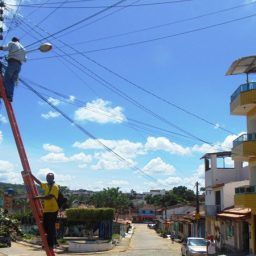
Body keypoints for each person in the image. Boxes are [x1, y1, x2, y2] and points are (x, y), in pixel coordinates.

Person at [32, 172, 59, 249]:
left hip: (53, 210)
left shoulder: (55, 187)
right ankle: (53, 241)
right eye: (47, 177)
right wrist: (31, 176)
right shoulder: (47, 185)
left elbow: (49, 197)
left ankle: (51, 245)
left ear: (53, 178)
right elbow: (40, 183)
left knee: (50, 227)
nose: (48, 179)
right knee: (45, 227)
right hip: (47, 210)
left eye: (49, 178)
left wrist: (37, 197)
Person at [0, 37, 26, 102]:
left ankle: (4, 93)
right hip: (19, 66)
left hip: (12, 63)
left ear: (13, 40)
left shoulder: (12, 43)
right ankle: (9, 96)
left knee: (7, 79)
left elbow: (6, 48)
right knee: (12, 81)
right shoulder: (23, 48)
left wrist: (1, 48)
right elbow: (25, 59)